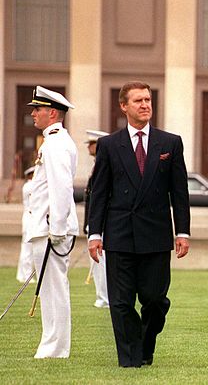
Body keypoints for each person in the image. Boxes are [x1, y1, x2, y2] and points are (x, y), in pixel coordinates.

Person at [87, 81, 190, 368]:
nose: (145, 105)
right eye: (138, 101)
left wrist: (182, 231)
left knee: (155, 300)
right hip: (119, 233)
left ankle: (145, 345)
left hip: (156, 235)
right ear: (124, 106)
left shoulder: (170, 142)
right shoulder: (109, 144)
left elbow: (179, 192)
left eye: (148, 100)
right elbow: (99, 192)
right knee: (120, 303)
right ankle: (130, 358)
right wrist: (94, 233)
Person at [23, 86, 78, 358]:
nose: (33, 114)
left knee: (54, 289)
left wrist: (57, 229)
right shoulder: (53, 141)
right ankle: (51, 345)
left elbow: (61, 188)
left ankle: (55, 348)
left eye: (38, 109)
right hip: (46, 228)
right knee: (50, 289)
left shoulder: (56, 143)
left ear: (52, 113)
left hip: (49, 230)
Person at [83, 129, 110, 308]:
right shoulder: (96, 165)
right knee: (99, 265)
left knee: (103, 264)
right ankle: (102, 296)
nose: (89, 147)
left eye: (92, 144)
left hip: (103, 225)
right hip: (94, 223)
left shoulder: (104, 165)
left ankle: (105, 298)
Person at [17, 166, 35, 283]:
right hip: (30, 218)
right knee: (27, 248)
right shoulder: (30, 186)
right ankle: (27, 274)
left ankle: (22, 274)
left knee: (27, 248)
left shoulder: (30, 185)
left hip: (30, 218)